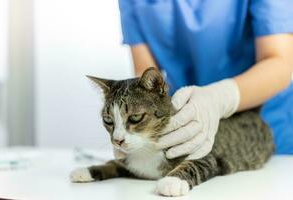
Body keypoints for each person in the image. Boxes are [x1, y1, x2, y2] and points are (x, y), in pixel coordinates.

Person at [118, 0, 293, 159]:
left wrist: (220, 98)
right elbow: (145, 79)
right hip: (188, 131)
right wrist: (140, 131)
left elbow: (280, 62)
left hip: (265, 132)